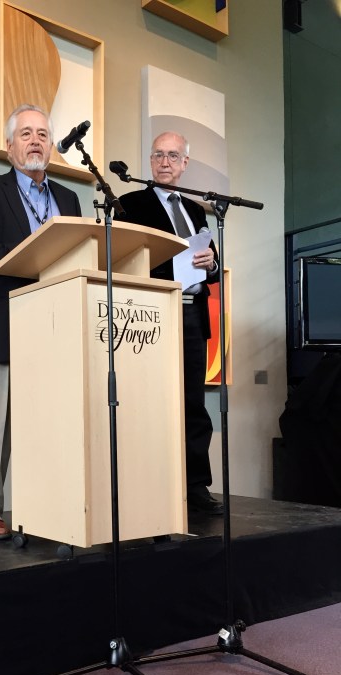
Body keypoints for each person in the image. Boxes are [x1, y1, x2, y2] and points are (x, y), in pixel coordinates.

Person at [0, 104, 82, 539]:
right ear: (9, 146)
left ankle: (37, 505)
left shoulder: (68, 199)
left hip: (52, 325)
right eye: (26, 133)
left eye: (43, 134)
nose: (35, 140)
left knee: (41, 424)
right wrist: (29, 255)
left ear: (51, 145)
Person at [115, 131, 223, 516]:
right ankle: (150, 485)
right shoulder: (129, 203)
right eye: (158, 155)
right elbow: (123, 258)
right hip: (153, 312)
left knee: (194, 402)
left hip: (193, 313)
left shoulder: (195, 210)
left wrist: (211, 265)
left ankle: (195, 486)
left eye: (173, 156)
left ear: (185, 164)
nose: (165, 162)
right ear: (149, 160)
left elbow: (210, 266)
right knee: (150, 401)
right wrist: (170, 269)